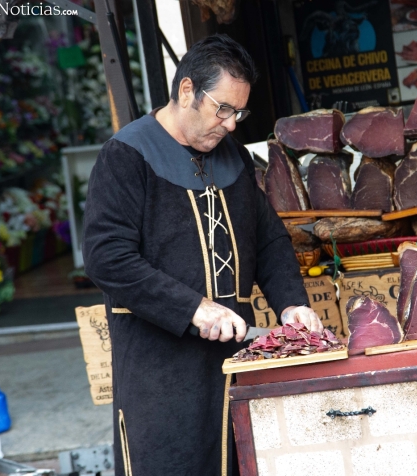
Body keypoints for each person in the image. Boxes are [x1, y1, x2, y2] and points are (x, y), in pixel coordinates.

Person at [82, 34, 322, 476]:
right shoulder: (127, 156)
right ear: (187, 90)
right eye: (223, 109)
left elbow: (268, 239)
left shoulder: (232, 157)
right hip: (161, 374)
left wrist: (292, 304)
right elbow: (106, 257)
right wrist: (193, 308)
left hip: (235, 367)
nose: (232, 125)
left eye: (239, 112)